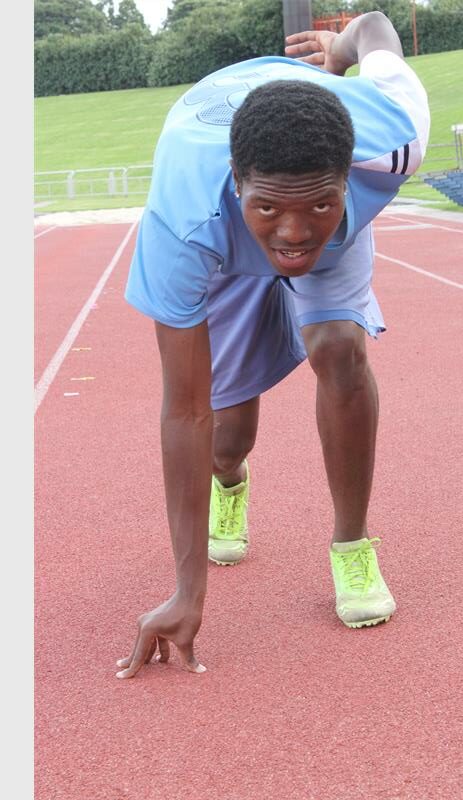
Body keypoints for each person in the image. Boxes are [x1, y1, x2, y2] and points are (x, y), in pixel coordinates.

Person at [117, 10, 430, 679]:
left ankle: (351, 545)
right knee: (225, 435)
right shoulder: (184, 222)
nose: (293, 233)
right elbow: (183, 408)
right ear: (238, 185)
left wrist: (339, 53)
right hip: (227, 243)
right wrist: (187, 590)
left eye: (316, 204)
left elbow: (376, 26)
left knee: (340, 348)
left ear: (348, 177)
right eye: (271, 209)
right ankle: (232, 484)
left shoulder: (394, 137)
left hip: (331, 208)